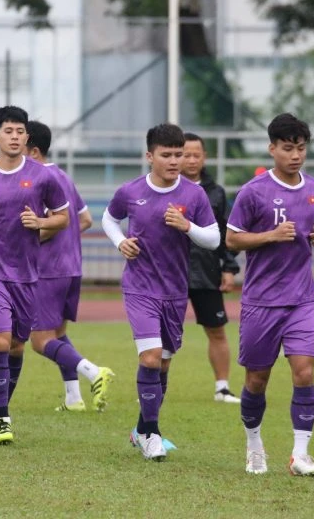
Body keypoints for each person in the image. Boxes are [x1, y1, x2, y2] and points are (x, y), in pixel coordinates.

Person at [102, 123, 219, 461]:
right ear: (149, 156)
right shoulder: (131, 191)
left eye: (178, 155)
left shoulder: (194, 195)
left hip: (175, 290)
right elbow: (109, 219)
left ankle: (141, 428)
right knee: (150, 357)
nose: (173, 161)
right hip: (140, 287)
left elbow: (213, 239)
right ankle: (152, 434)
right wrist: (120, 241)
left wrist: (188, 227)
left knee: (163, 365)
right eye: (166, 155)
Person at [0, 105, 70, 444]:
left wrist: (40, 222)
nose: (15, 137)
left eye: (20, 132)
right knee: (0, 340)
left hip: (26, 273)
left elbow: (62, 217)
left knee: (18, 345)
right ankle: (3, 418)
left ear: (26, 137)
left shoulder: (43, 176)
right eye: (8, 132)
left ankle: (1, 403)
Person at [226, 113, 314, 476]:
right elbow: (232, 239)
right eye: (287, 148)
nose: (295, 155)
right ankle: (254, 444)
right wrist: (269, 235)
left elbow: (305, 232)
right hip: (261, 301)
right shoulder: (252, 192)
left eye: (301, 148)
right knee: (257, 379)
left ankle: (300, 454)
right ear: (272, 149)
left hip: (302, 297)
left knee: (304, 371)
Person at [24, 121, 114, 412]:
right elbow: (85, 219)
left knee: (39, 341)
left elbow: (51, 225)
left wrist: (23, 243)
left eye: (19, 145)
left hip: (47, 269)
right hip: (72, 266)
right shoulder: (62, 175)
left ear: (34, 150)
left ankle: (93, 372)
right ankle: (73, 399)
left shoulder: (38, 179)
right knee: (58, 334)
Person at [181, 133, 241, 404]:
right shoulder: (164, 189)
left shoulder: (215, 192)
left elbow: (226, 233)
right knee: (160, 331)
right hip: (172, 273)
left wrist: (229, 267)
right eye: (185, 154)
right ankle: (154, 386)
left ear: (204, 157)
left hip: (206, 273)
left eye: (197, 154)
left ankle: (222, 388)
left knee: (216, 330)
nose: (191, 160)